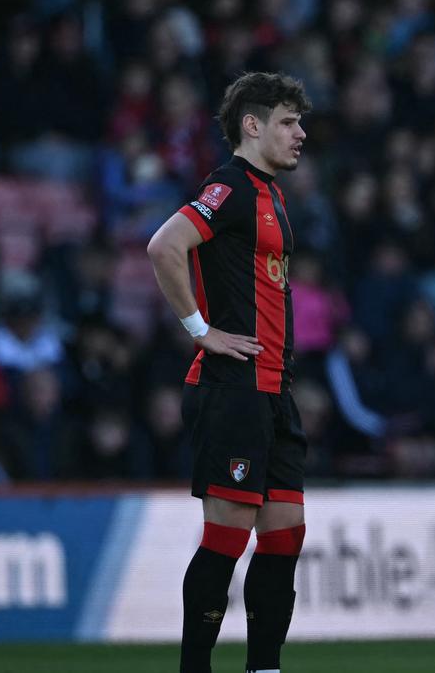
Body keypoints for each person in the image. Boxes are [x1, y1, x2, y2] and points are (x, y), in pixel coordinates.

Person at [147, 71, 310, 673]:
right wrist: (200, 331)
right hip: (235, 388)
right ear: (253, 124)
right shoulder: (231, 186)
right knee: (227, 538)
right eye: (289, 122)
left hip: (275, 390)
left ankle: (262, 667)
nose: (301, 135)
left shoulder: (272, 194)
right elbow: (164, 245)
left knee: (286, 535)